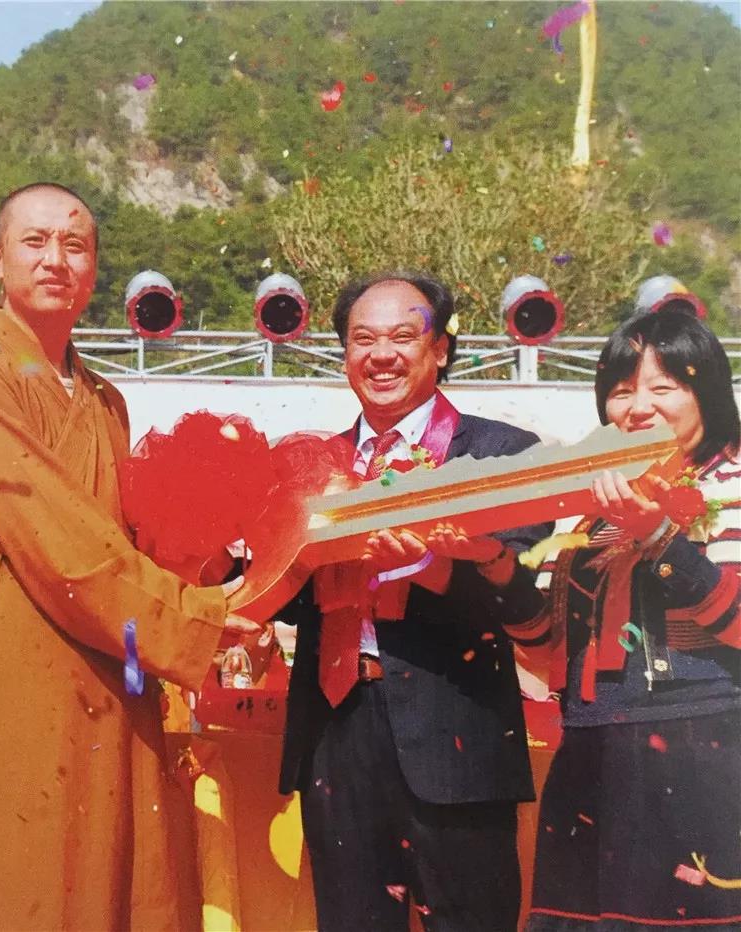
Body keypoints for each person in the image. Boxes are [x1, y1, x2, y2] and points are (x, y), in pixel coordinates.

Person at [0, 182, 259, 931]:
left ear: (94, 270)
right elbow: (61, 547)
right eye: (35, 241)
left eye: (75, 245)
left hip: (108, 674)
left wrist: (218, 564)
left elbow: (124, 539)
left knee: (110, 880)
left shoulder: (105, 400)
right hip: (13, 682)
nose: (55, 259)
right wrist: (197, 616)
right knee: (26, 884)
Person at [277, 271, 551, 931]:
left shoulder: (502, 457)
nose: (382, 355)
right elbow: (287, 595)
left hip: (456, 737)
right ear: (344, 352)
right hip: (337, 735)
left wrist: (440, 560)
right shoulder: (313, 465)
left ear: (440, 350)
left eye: (403, 336)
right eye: (362, 338)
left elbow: (517, 595)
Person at [506, 307, 741, 930]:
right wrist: (494, 572)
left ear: (708, 393)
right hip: (591, 756)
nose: (638, 408)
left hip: (704, 761)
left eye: (664, 387)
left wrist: (660, 538)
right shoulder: (592, 512)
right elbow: (548, 648)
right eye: (620, 390)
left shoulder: (735, 486)